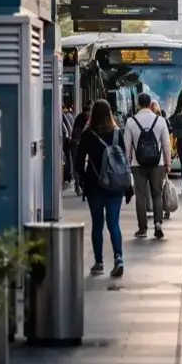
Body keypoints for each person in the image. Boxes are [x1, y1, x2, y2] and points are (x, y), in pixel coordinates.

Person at [74, 100, 129, 278]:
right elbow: (124, 159)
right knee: (114, 223)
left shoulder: (88, 135)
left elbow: (78, 162)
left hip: (94, 185)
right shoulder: (117, 133)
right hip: (115, 185)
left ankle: (99, 262)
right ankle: (118, 258)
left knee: (97, 223)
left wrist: (82, 180)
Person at [124, 93, 172, 239]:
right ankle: (157, 223)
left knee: (140, 195)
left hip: (137, 164)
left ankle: (142, 228)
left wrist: (128, 162)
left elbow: (127, 146)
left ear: (138, 104)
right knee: (157, 194)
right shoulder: (160, 121)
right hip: (157, 164)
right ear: (150, 104)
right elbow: (166, 145)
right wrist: (168, 163)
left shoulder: (131, 122)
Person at [71, 103, 92, 196]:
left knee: (77, 164)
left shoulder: (78, 118)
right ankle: (83, 185)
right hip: (82, 143)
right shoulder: (89, 118)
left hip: (75, 143)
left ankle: (77, 186)